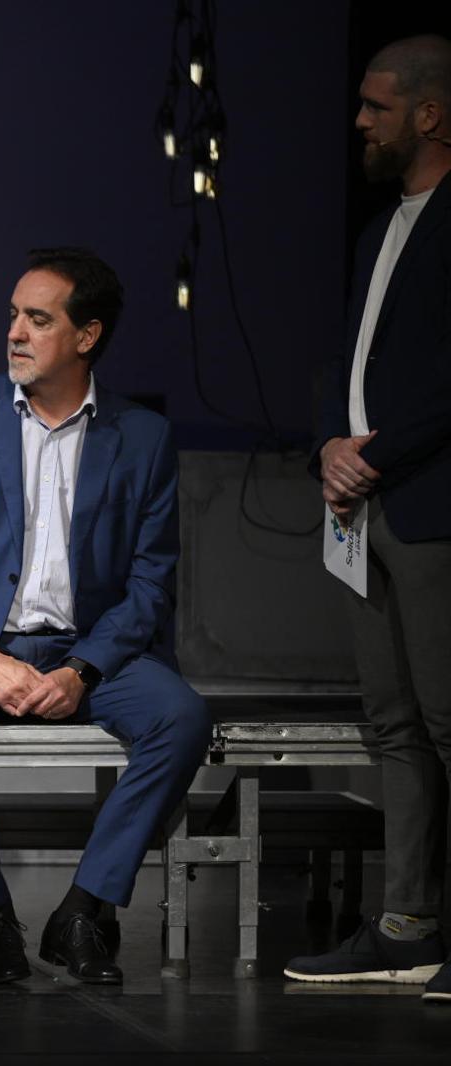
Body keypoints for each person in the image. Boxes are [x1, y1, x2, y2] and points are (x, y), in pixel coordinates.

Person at [0, 248, 210, 986]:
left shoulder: (143, 437)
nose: (15, 333)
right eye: (12, 316)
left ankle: (82, 908)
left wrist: (81, 668)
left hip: (90, 648)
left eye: (38, 319)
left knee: (182, 720)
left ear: (87, 336)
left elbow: (151, 581)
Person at [286, 35, 451, 1002]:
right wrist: (328, 448)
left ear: (429, 115)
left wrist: (373, 454)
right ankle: (408, 924)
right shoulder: (380, 228)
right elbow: (348, 367)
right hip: (362, 511)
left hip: (428, 507)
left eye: (376, 106)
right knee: (393, 728)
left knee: (447, 720)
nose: (359, 121)